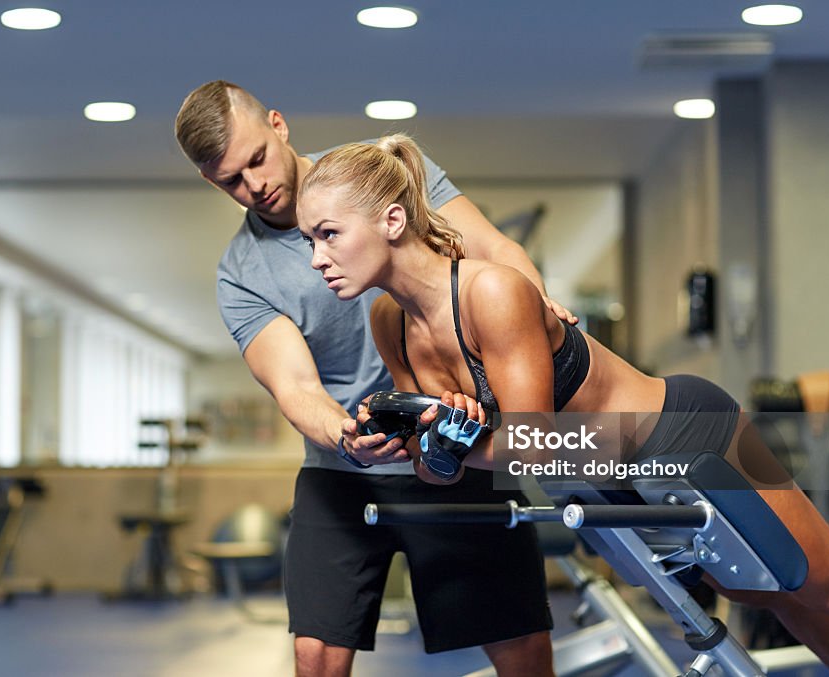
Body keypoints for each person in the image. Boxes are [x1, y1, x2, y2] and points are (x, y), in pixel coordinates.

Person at [296, 133, 829, 676]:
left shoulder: (492, 292)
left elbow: (532, 450)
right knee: (767, 591)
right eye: (309, 240)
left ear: (393, 220)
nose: (318, 258)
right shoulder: (390, 322)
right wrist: (415, 444)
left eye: (329, 235)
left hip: (684, 435)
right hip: (605, 473)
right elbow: (438, 470)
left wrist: (456, 441)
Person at [174, 81, 578, 677]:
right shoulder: (242, 275)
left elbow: (489, 246)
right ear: (213, 182)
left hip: (456, 443)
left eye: (256, 159)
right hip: (344, 473)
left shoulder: (378, 173)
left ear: (279, 127)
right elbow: (297, 388)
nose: (253, 185)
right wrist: (347, 435)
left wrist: (535, 307)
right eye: (232, 179)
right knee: (315, 656)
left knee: (520, 648)